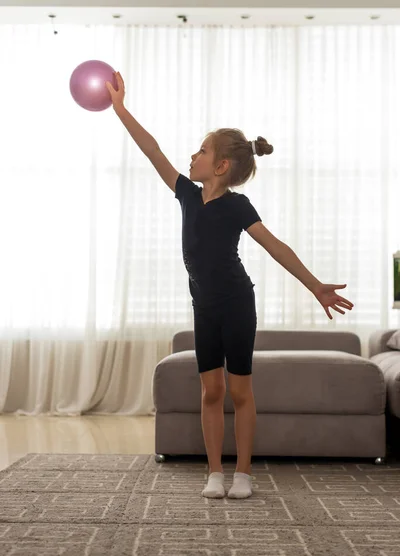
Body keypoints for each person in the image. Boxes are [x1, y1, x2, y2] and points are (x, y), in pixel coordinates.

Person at [106, 72, 354, 500]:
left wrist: (315, 286)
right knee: (211, 390)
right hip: (204, 306)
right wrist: (121, 110)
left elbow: (275, 246)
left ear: (220, 166)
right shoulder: (186, 193)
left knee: (239, 390)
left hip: (238, 304)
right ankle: (215, 473)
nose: (192, 155)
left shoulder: (237, 206)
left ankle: (243, 475)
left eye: (201, 150)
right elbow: (153, 151)